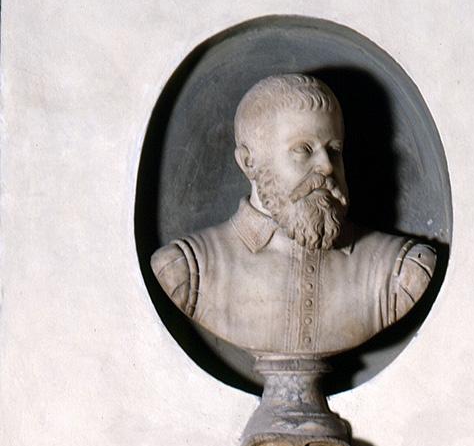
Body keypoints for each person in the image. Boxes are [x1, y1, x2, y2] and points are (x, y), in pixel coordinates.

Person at [151, 73, 436, 359]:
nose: (326, 167)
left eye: (334, 150)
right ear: (249, 162)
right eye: (304, 149)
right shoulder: (189, 271)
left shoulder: (397, 271)